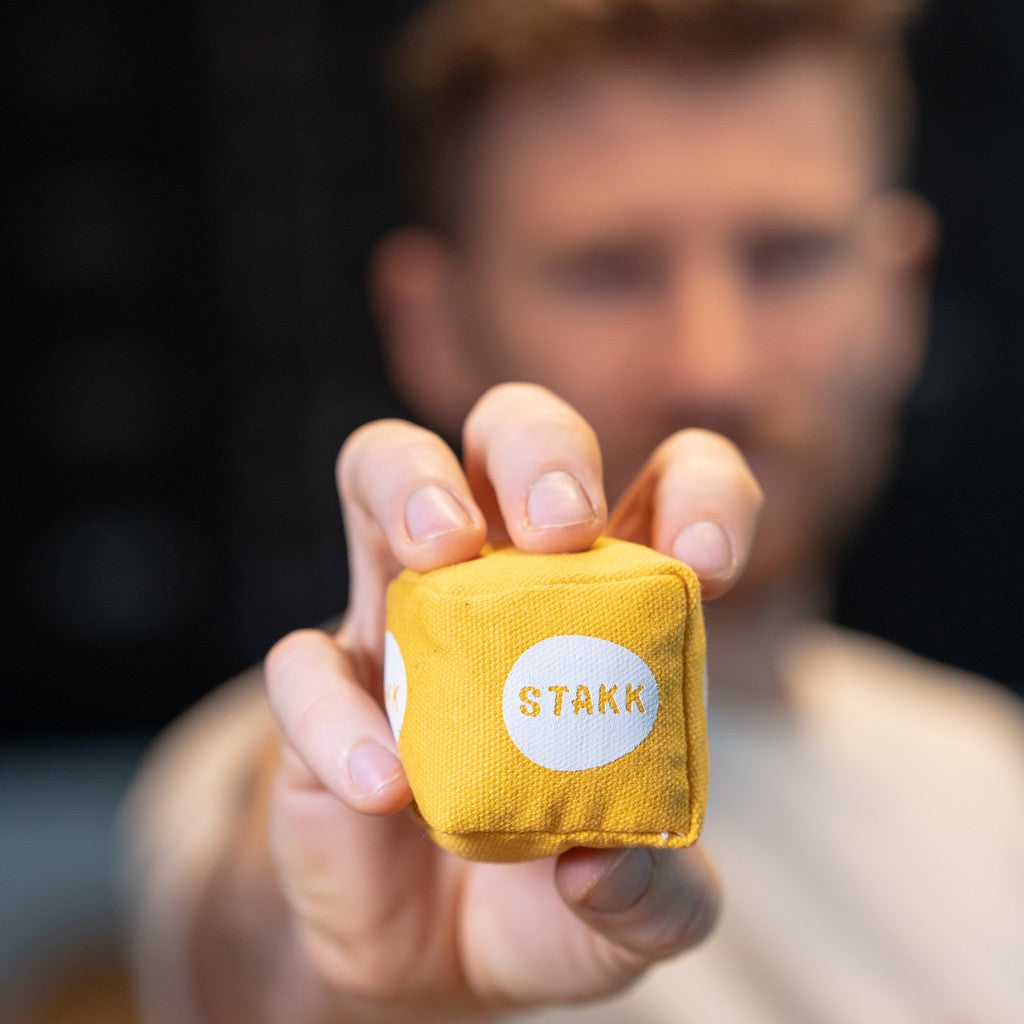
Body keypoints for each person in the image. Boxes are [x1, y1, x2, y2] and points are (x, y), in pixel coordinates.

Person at [123, 1, 1024, 1022]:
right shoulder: (297, 756)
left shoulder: (988, 766)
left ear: (900, 292)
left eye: (788, 255)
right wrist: (358, 975)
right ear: (433, 323)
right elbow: (261, 960)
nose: (713, 365)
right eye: (608, 270)